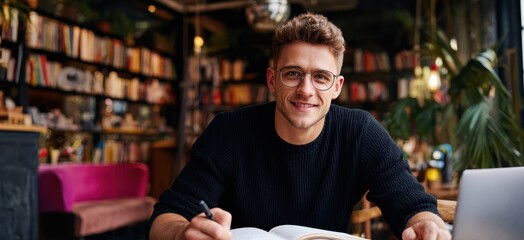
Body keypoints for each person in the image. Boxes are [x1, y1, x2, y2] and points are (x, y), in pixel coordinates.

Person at [148, 12, 451, 240]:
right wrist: (183, 232)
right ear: (272, 80)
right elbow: (164, 219)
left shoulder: (359, 132)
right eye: (292, 73)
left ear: (337, 87)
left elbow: (413, 204)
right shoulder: (229, 132)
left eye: (320, 77)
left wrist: (428, 226)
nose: (306, 89)